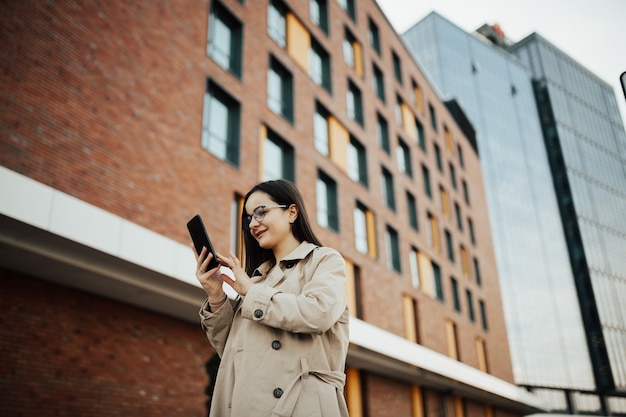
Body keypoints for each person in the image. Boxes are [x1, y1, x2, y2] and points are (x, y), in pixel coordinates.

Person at [193, 179, 350, 417]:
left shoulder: (324, 261)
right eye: (248, 218)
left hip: (301, 406)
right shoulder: (256, 280)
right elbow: (233, 353)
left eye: (260, 212)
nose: (253, 223)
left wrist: (251, 292)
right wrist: (216, 295)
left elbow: (319, 313)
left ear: (292, 212)